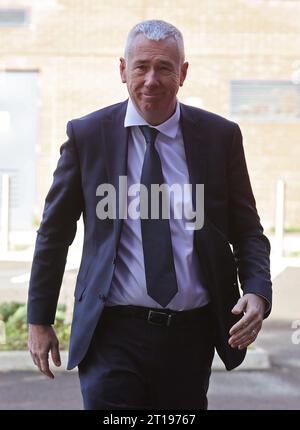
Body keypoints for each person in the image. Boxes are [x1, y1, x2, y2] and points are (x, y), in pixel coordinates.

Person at [27, 19, 272, 410]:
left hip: (190, 338)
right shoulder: (88, 135)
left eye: (164, 68)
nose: (151, 79)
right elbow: (54, 234)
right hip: (112, 333)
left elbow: (247, 232)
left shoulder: (219, 137)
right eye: (141, 66)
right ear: (123, 70)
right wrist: (39, 320)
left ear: (183, 73)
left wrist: (257, 290)